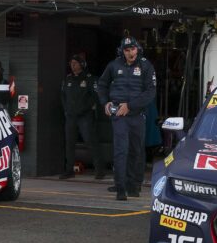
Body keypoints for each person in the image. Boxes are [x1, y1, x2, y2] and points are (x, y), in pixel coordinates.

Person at [97, 37, 156, 201]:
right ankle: (120, 187)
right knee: (121, 150)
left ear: (138, 49)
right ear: (122, 51)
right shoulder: (114, 65)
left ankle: (134, 185)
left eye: (133, 49)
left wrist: (130, 106)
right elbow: (101, 85)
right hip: (119, 115)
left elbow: (150, 92)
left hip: (137, 114)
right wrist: (105, 103)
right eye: (127, 50)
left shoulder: (146, 65)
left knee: (136, 151)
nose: (130, 53)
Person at [60, 55, 103, 179]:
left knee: (91, 142)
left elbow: (96, 96)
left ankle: (99, 170)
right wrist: (66, 110)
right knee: (69, 143)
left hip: (85, 116)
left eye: (75, 63)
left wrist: (89, 108)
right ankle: (69, 170)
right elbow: (62, 96)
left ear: (82, 64)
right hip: (71, 116)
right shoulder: (67, 79)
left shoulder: (90, 79)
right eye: (71, 63)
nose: (73, 65)